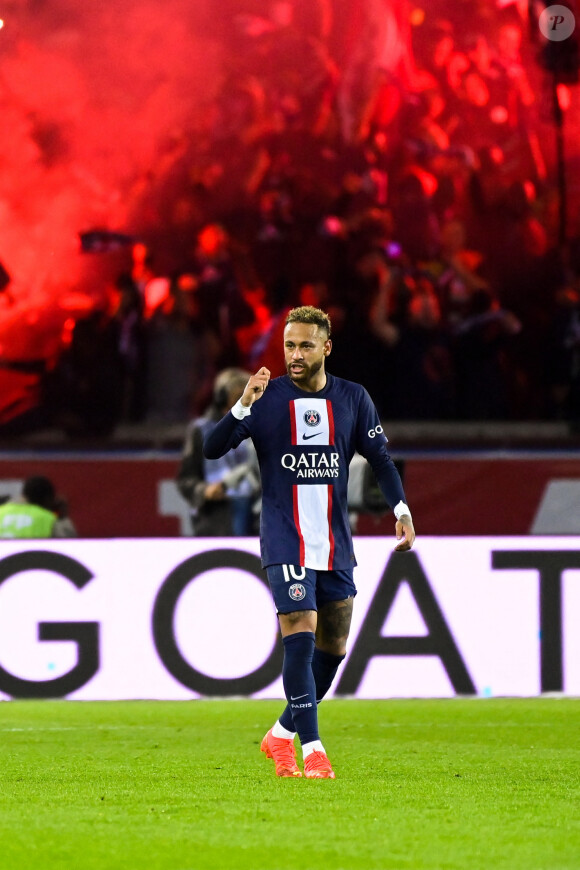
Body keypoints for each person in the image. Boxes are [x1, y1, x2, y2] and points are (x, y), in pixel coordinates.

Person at [203, 305, 415, 779]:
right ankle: (312, 749)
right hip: (285, 538)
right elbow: (212, 449)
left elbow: (381, 458)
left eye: (304, 345)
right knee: (298, 639)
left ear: (326, 348)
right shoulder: (266, 398)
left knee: (333, 648)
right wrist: (242, 404)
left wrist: (401, 510)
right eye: (288, 345)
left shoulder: (353, 398)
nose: (294, 355)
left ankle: (279, 735)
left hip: (335, 543)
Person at [177, 368, 261, 536]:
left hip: (257, 516)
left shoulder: (260, 427)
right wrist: (205, 491)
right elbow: (185, 479)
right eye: (239, 395)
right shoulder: (201, 431)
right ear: (222, 397)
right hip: (216, 517)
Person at [0, 475, 77, 538]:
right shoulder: (48, 518)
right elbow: (69, 543)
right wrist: (63, 517)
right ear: (47, 499)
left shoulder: (1, 512)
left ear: (24, 495)